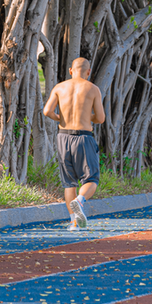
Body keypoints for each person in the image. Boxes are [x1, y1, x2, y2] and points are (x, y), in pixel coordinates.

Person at [43, 57, 106, 231]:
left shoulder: (59, 87)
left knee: (69, 182)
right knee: (91, 178)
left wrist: (60, 118)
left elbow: (47, 111)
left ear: (71, 71)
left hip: (63, 137)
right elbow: (100, 118)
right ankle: (80, 200)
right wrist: (87, 117)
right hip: (84, 137)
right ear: (88, 71)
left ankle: (74, 223)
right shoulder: (92, 89)